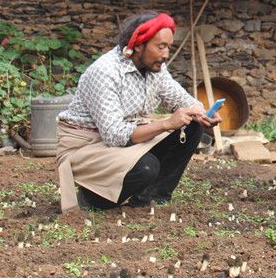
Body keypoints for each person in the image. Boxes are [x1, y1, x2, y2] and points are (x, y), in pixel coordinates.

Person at [56, 11, 220, 212]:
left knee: (192, 126)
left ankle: (150, 198)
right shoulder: (105, 72)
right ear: (139, 45)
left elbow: (179, 99)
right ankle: (92, 199)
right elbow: (114, 135)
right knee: (145, 167)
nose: (166, 54)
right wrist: (166, 124)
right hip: (88, 146)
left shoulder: (155, 68)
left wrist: (203, 113)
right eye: (160, 47)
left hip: (123, 139)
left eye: (168, 47)